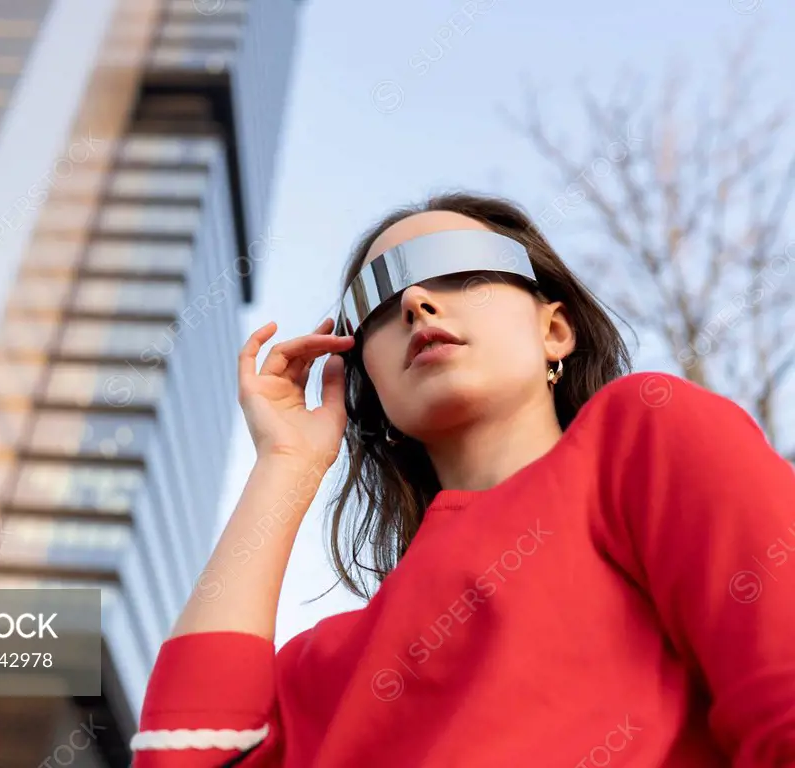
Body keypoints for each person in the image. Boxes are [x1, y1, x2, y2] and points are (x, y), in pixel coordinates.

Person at [130, 192, 795, 767]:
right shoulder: (336, 661)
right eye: (376, 302)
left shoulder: (645, 435)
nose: (416, 300)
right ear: (371, 385)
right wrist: (285, 466)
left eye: (458, 270)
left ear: (554, 329)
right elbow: (186, 755)